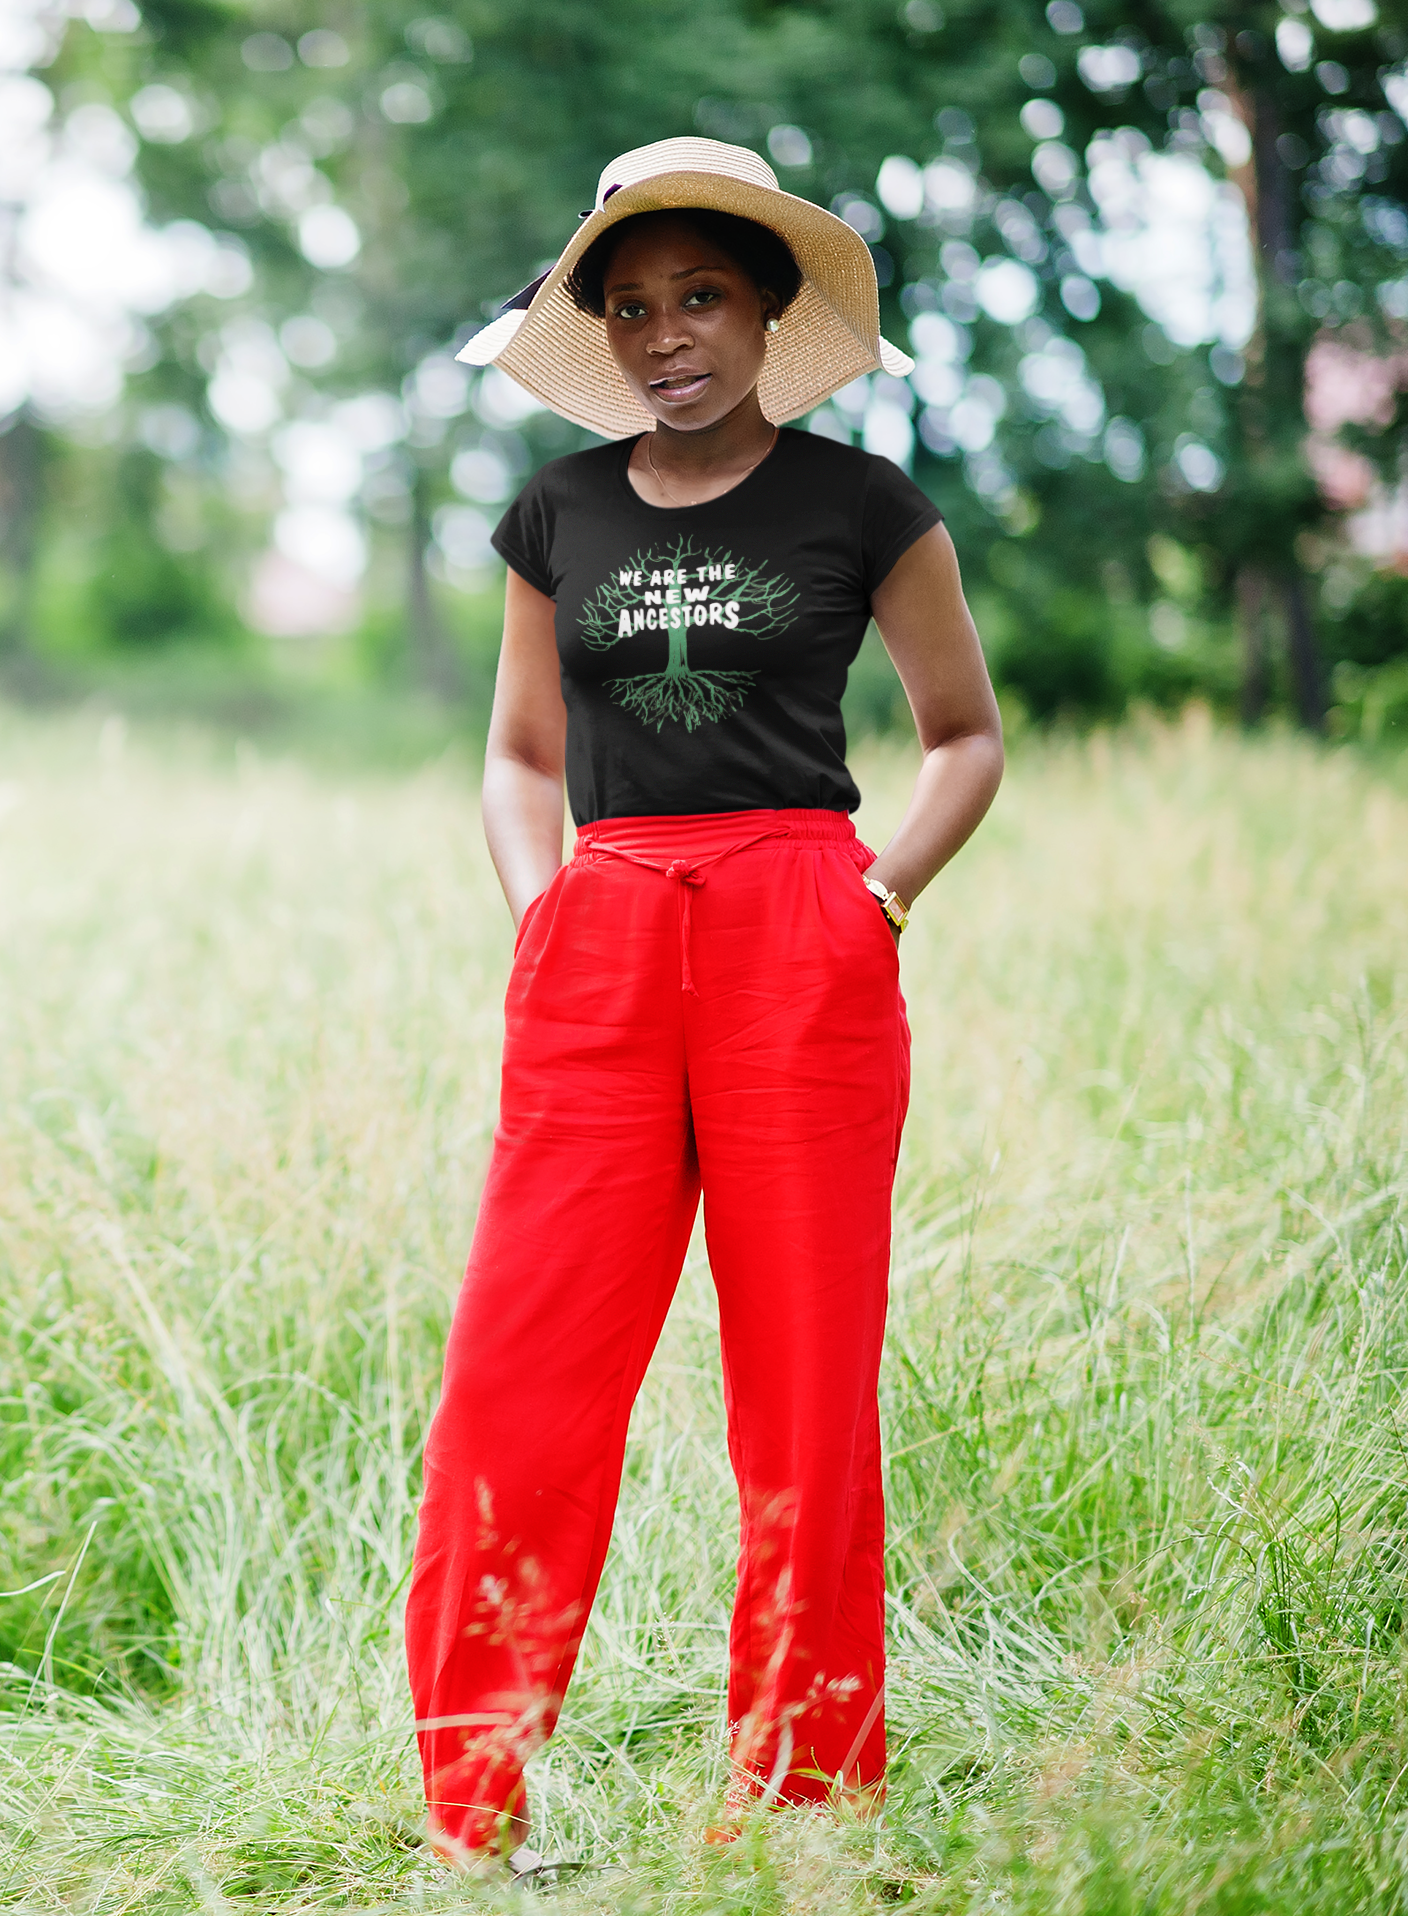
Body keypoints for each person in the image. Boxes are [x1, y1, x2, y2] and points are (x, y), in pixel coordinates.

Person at [404, 136, 1003, 1873]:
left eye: (703, 297)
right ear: (601, 329)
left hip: (799, 941)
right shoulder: (556, 514)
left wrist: (880, 899)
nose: (669, 332)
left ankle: (802, 1803)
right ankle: (473, 1806)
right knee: (522, 1371)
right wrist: (550, 916)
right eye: (635, 304)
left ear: (767, 312)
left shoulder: (864, 505)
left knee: (803, 1382)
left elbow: (964, 735)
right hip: (601, 936)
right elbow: (521, 761)